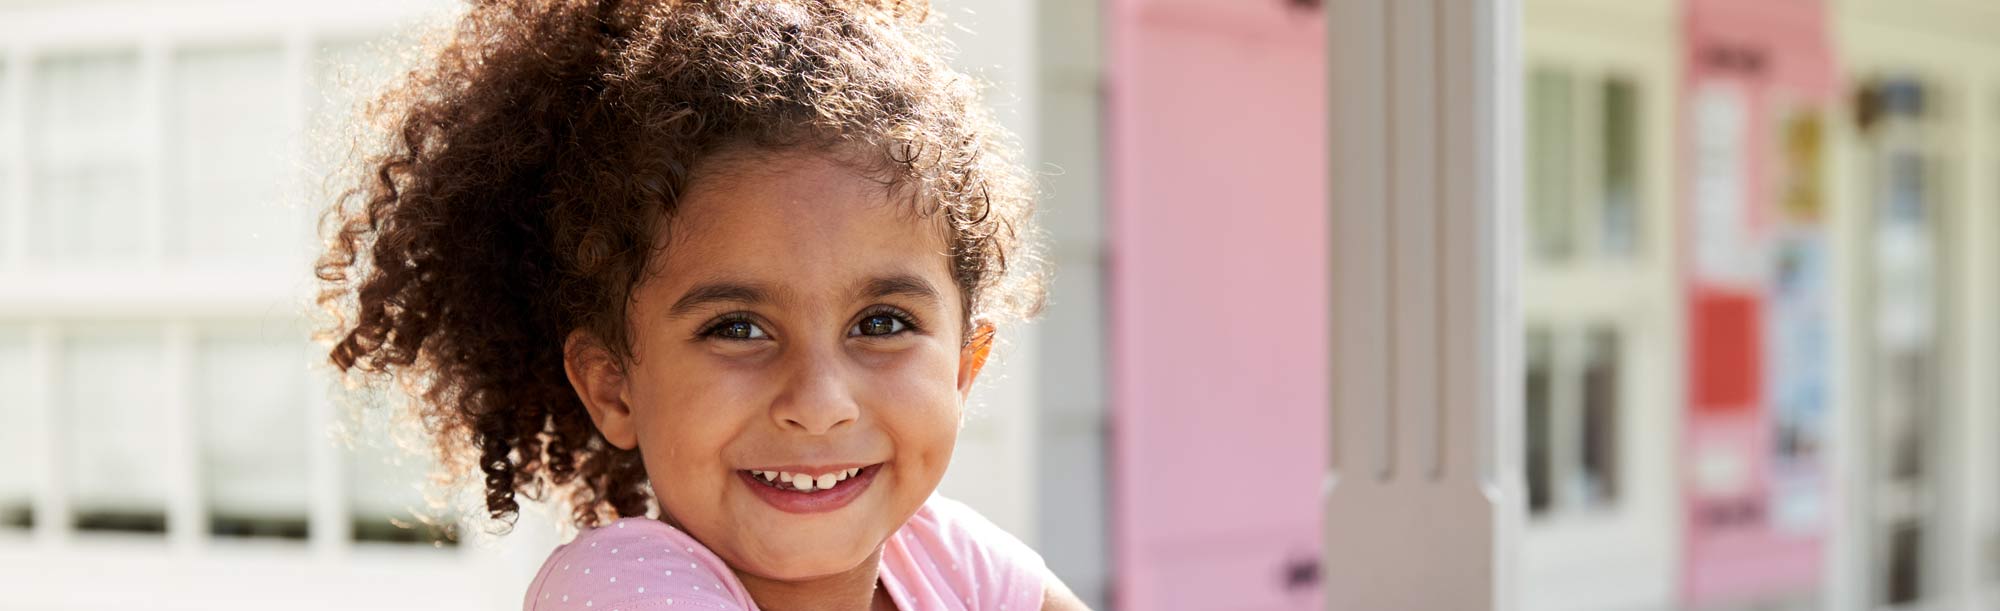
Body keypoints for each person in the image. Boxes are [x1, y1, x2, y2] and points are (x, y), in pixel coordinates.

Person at [313, 0, 1086, 608]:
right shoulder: (617, 585)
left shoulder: (949, 559)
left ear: (963, 365)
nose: (819, 404)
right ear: (614, 386)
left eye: (882, 323)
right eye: (738, 328)